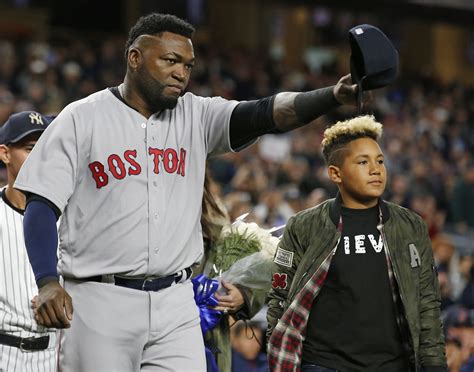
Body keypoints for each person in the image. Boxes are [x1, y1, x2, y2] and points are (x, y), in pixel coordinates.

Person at [14, 13, 358, 371]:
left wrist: (331, 95)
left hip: (176, 301)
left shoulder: (196, 114)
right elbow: (41, 205)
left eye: (188, 64)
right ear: (134, 58)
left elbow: (268, 113)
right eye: (170, 60)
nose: (181, 72)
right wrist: (48, 280)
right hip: (100, 299)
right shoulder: (81, 118)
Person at [267, 115, 447, 371]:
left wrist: (435, 366)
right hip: (323, 364)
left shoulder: (411, 226)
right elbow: (279, 294)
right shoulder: (303, 226)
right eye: (363, 162)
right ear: (335, 173)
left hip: (392, 365)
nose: (376, 170)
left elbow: (427, 302)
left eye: (380, 161)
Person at [194, 172, 268, 372]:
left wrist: (242, 295)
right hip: (162, 323)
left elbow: (252, 277)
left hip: (211, 334)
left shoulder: (216, 222)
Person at [0, 111, 56, 372]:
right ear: (5, 154)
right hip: (5, 351)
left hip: (56, 354)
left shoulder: (70, 215)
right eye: (30, 148)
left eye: (46, 147)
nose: (40, 157)